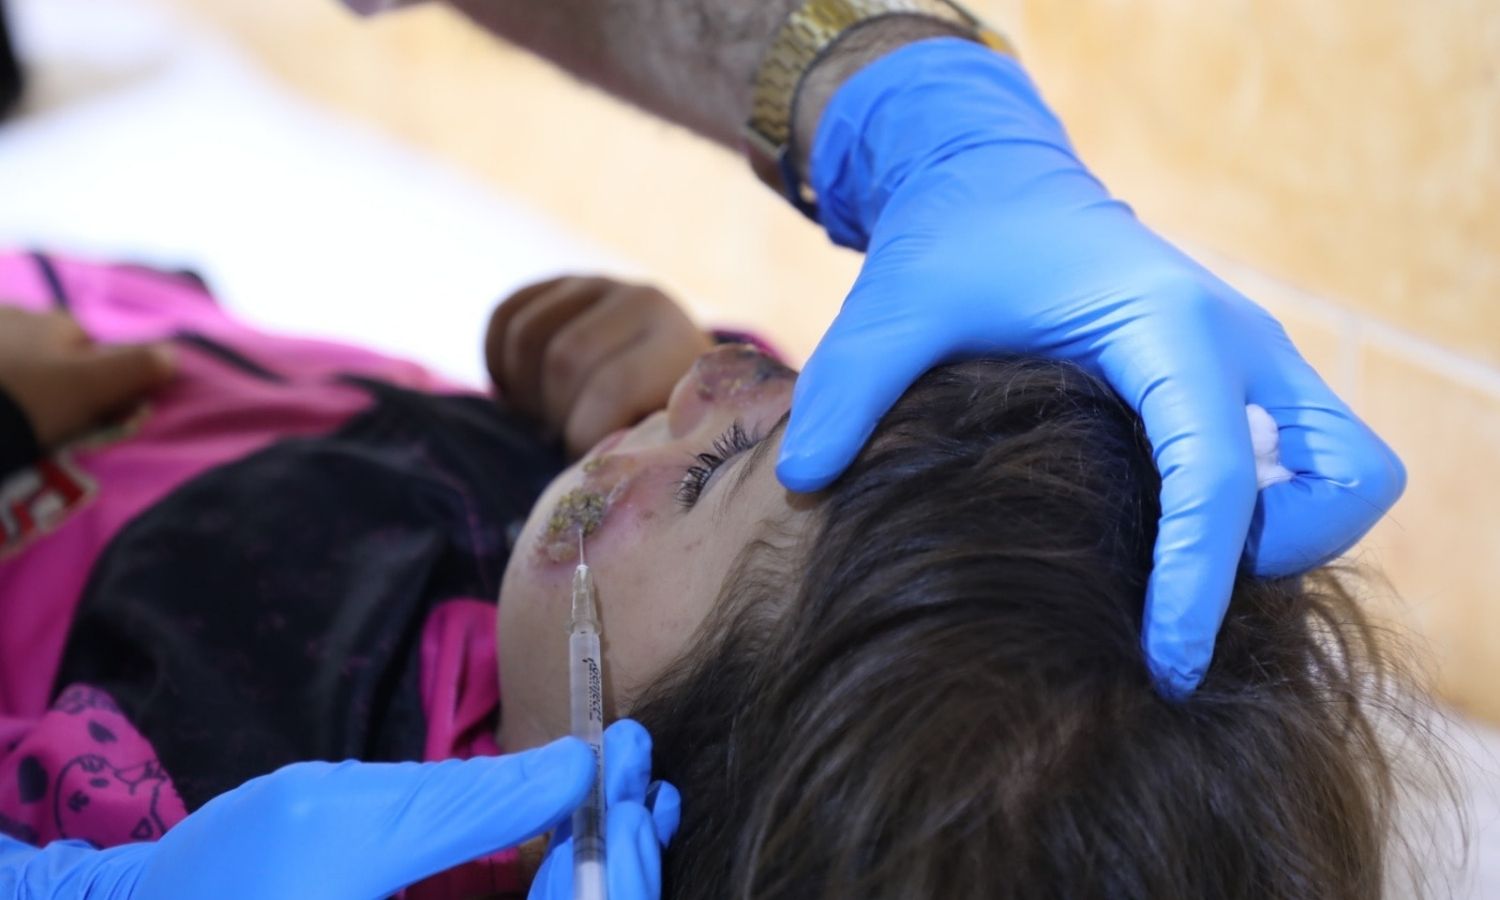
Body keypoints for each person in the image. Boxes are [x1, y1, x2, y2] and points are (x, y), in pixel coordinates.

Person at [0, 253, 1438, 898]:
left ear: (622, 785)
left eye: (713, 460)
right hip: (169, 335)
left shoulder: (195, 804)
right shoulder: (635, 578)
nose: (709, 377)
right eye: (804, 390)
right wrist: (584, 355)